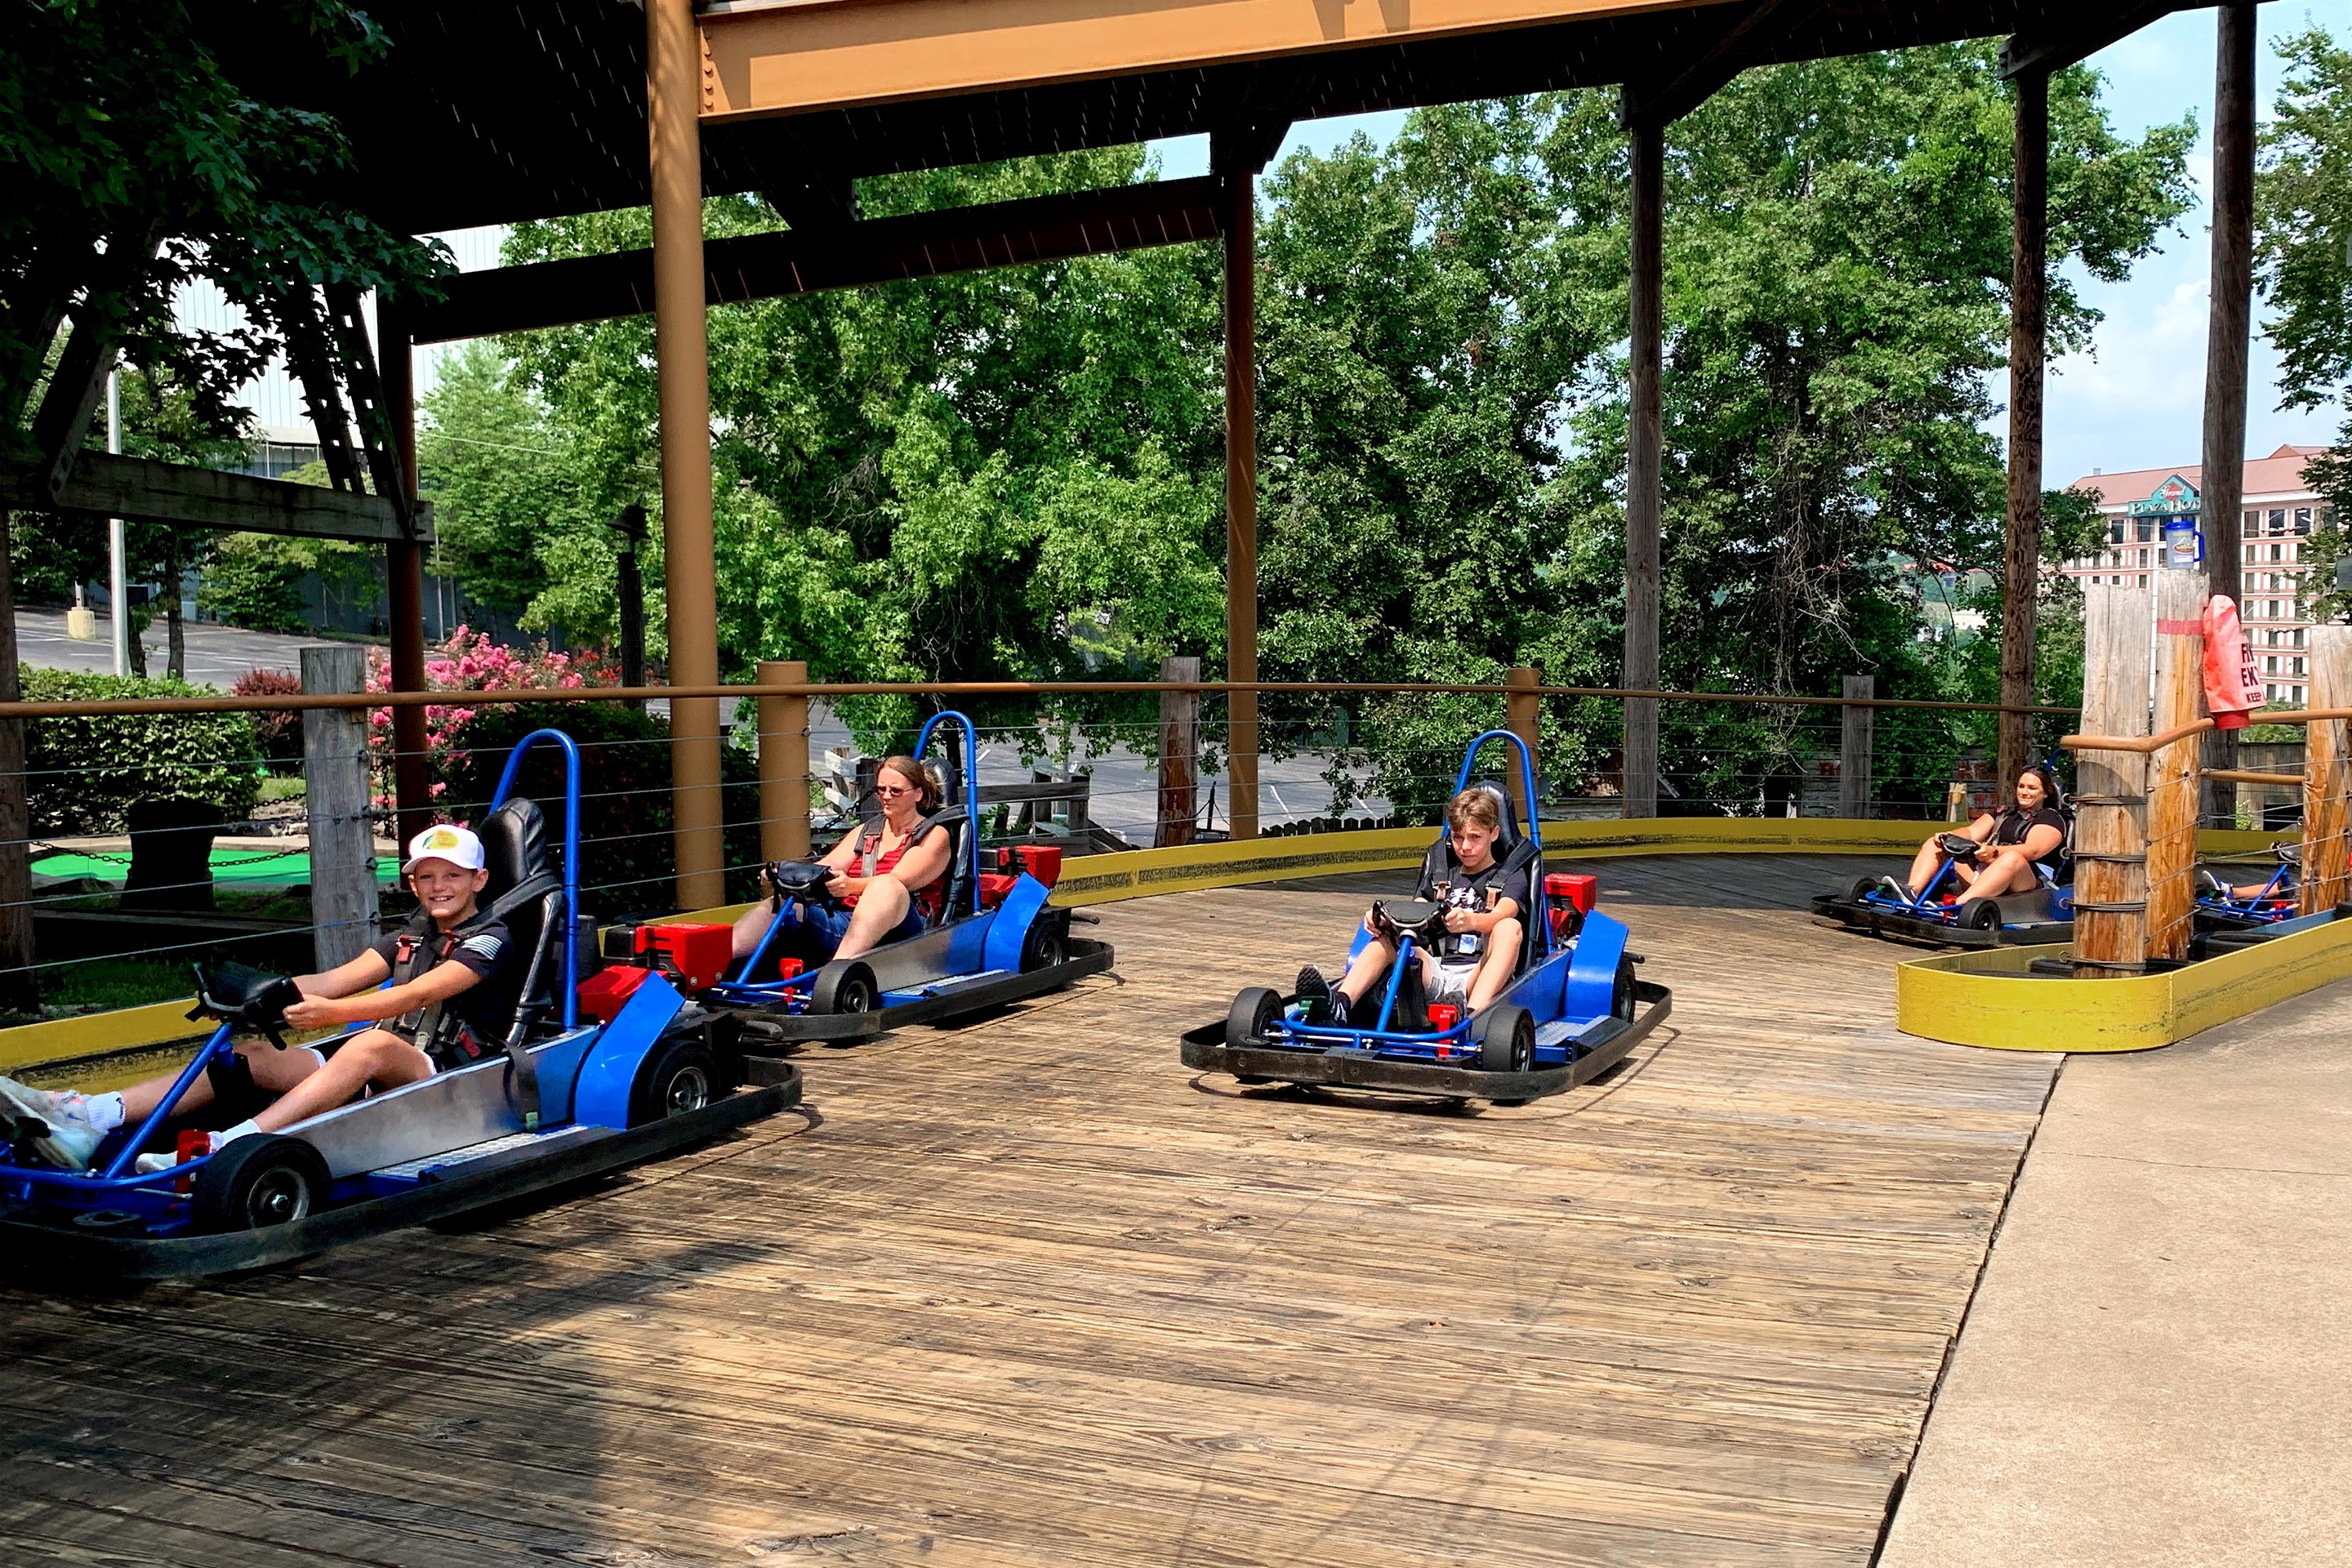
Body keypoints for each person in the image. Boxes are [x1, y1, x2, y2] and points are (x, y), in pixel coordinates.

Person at [0, 823, 525, 1172]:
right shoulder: (408, 937)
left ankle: (228, 1147)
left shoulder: (491, 937)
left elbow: (416, 995)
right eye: (426, 877)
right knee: (251, 1056)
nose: (438, 887)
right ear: (412, 884)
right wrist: (255, 994)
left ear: (478, 879)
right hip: (388, 1066)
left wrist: (332, 1015)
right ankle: (91, 1117)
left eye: (451, 876)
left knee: (367, 1045)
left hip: (452, 1072)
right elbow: (333, 981)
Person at [1294, 786, 1528, 1022]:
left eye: (1475, 837)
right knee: (1387, 940)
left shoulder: (1510, 875)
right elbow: (1415, 912)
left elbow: (1502, 915)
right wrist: (1383, 920)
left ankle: (1472, 1017)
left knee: (1509, 928)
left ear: (1494, 833)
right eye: (1458, 837)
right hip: (1436, 969)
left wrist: (1471, 921)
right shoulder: (1441, 874)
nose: (1465, 847)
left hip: (1478, 973)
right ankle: (1341, 1005)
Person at [730, 754, 953, 973]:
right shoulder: (866, 832)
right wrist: (783, 875)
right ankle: (715, 962)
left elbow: (900, 881)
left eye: (895, 790)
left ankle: (835, 974)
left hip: (905, 933)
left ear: (918, 794)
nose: (886, 796)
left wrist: (851, 886)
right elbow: (824, 868)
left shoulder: (934, 835)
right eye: (881, 789)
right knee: (779, 904)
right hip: (847, 924)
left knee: (887, 887)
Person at [1896, 766, 2068, 901]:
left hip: (2028, 882)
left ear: (2045, 792)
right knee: (1938, 843)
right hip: (1988, 871)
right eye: (2021, 786)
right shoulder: (2005, 813)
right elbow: (1972, 832)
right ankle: (1912, 893)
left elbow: (2034, 850)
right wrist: (1949, 835)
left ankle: (1959, 905)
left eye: (2032, 788)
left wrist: (1994, 852)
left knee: (2013, 858)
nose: (2024, 792)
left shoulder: (2051, 818)